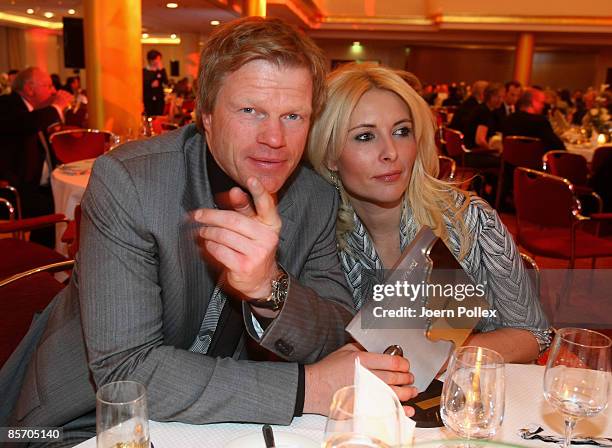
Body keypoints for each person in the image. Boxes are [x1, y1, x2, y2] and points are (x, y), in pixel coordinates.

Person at [0, 18, 416, 444]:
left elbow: (337, 329)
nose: (275, 138)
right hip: (84, 421)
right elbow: (126, 371)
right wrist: (311, 387)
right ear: (206, 113)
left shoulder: (315, 197)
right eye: (250, 110)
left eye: (293, 115)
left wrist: (269, 287)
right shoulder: (130, 181)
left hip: (226, 419)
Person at [307, 63, 551, 364]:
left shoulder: (469, 221)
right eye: (364, 137)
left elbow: (533, 334)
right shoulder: (319, 239)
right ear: (330, 154)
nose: (391, 152)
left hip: (469, 395)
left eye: (401, 131)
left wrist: (433, 358)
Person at [0, 67, 72, 247]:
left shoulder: (36, 112)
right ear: (29, 89)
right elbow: (26, 124)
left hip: (38, 184)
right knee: (60, 209)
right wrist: (56, 107)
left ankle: (50, 255)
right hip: (15, 188)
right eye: (48, 86)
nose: (54, 91)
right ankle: (47, 260)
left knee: (73, 201)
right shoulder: (7, 104)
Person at [464, 82, 505, 150]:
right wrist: (492, 150)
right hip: (475, 153)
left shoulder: (487, 110)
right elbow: (480, 141)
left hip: (475, 150)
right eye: (498, 97)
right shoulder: (483, 112)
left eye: (502, 97)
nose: (501, 100)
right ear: (489, 96)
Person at [143, 49, 169, 116]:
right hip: (148, 99)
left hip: (159, 99)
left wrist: (161, 70)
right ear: (151, 60)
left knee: (159, 116)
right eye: (157, 59)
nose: (158, 61)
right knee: (149, 116)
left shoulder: (161, 70)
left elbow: (166, 82)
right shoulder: (145, 71)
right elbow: (143, 85)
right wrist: (150, 85)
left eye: (159, 59)